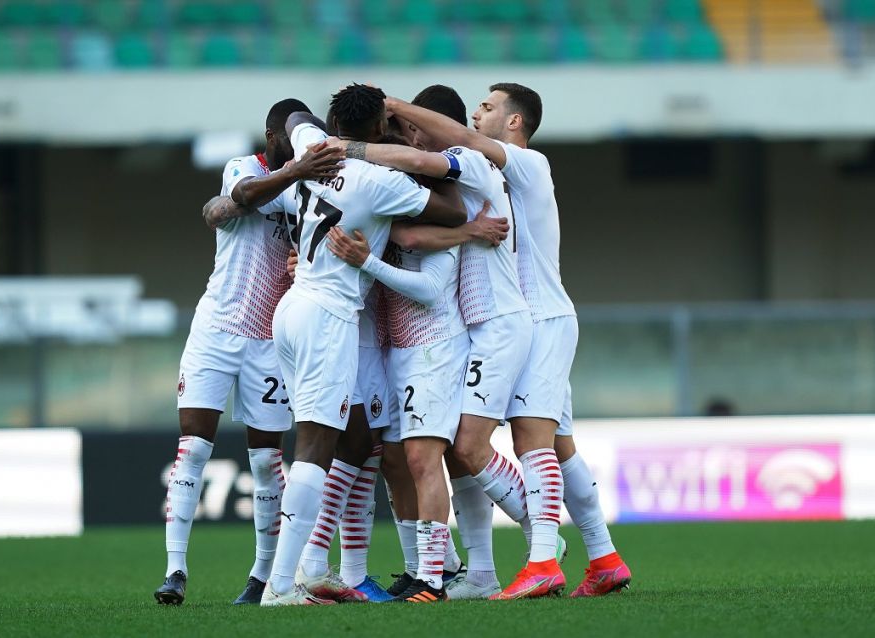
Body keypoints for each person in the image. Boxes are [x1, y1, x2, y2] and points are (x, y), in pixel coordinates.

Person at [386, 82, 632, 598]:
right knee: (560, 448)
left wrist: (392, 107)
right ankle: (603, 555)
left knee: (510, 443)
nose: (478, 113)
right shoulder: (497, 175)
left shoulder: (528, 163)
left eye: (489, 106)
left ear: (515, 122)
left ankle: (544, 555)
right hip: (528, 319)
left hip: (538, 320)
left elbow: (454, 138)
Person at [326, 85, 537, 600]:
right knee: (415, 460)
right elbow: (398, 235)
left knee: (438, 456)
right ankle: (448, 568)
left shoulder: (456, 190)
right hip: (400, 347)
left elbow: (426, 279)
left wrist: (369, 259)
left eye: (412, 131)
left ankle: (534, 541)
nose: (406, 142)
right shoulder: (417, 201)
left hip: (439, 342)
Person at [260, 83, 466, 606]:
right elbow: (451, 211)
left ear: (332, 121)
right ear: (377, 128)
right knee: (316, 446)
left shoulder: (312, 144)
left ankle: (299, 574)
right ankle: (285, 584)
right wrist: (398, 154)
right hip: (329, 315)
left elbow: (292, 115)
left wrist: (312, 144)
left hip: (292, 306)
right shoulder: (376, 181)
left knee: (323, 442)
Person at [153, 98, 344, 606]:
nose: (304, 143)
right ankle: (175, 570)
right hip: (216, 327)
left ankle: (261, 577)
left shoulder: (305, 183)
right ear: (272, 134)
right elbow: (234, 197)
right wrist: (296, 173)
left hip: (269, 338)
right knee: (192, 448)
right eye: (295, 134)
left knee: (265, 460)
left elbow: (235, 208)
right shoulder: (244, 166)